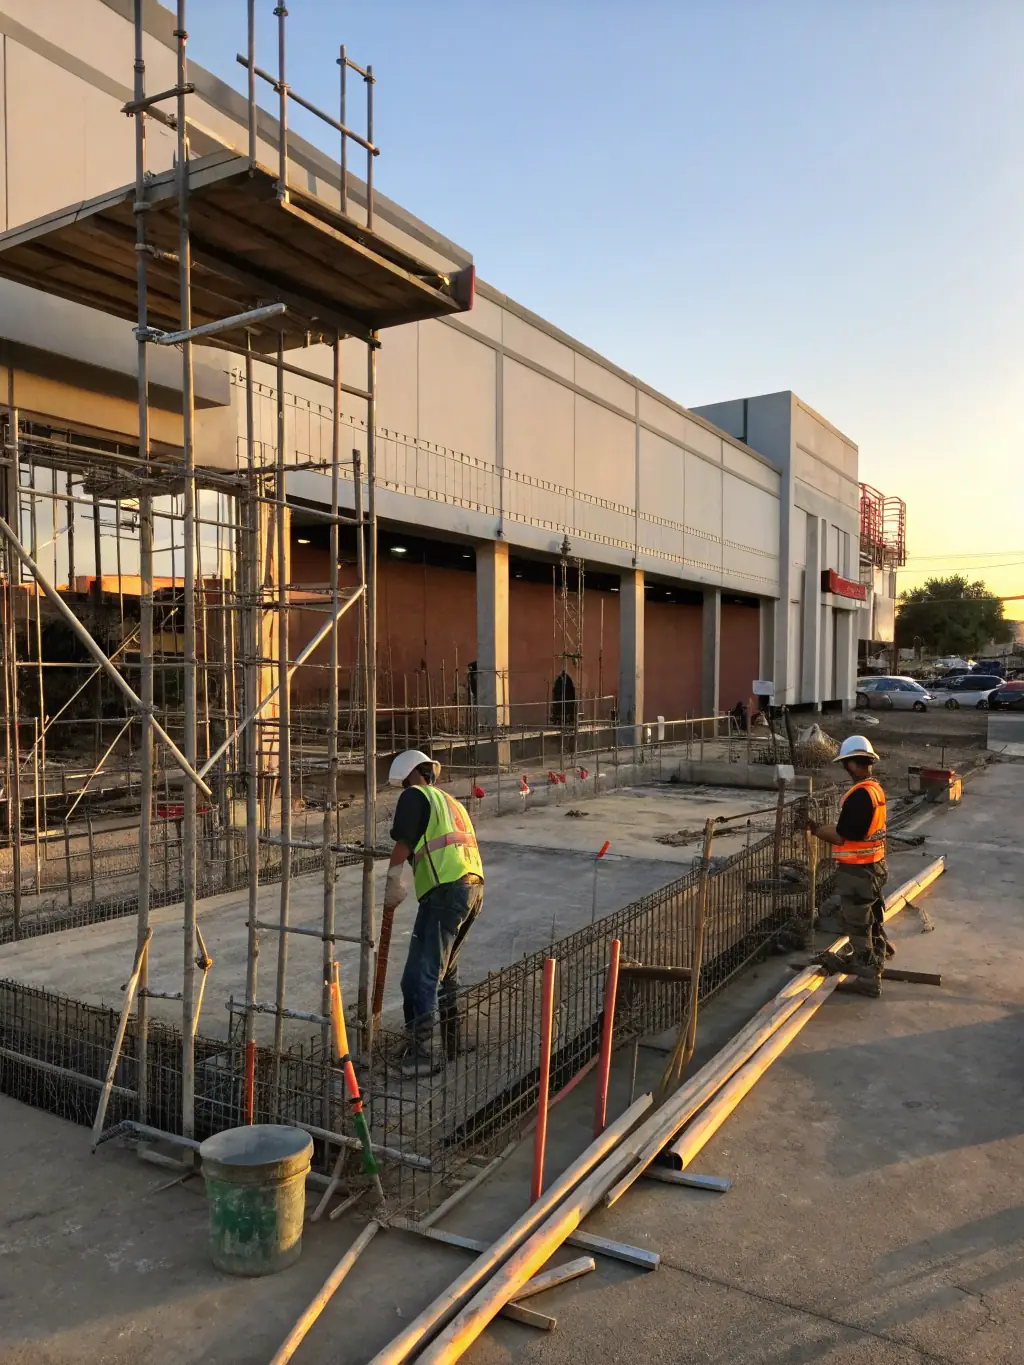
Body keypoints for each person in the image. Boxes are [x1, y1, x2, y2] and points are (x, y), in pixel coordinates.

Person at [383, 749, 485, 1076]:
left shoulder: (416, 795)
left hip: (446, 890)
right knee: (444, 970)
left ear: (412, 775)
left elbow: (405, 841)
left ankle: (422, 1052)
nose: (403, 791)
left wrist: (393, 879)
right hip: (471, 887)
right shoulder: (449, 801)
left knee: (422, 973)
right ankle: (453, 1041)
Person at [807, 735, 889, 998]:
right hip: (873, 866)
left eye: (845, 764)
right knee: (871, 918)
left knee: (858, 926)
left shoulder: (859, 796)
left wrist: (815, 830)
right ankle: (873, 960)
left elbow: (844, 835)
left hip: (858, 871)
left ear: (853, 764)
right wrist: (818, 828)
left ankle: (868, 980)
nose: (845, 768)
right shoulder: (875, 789)